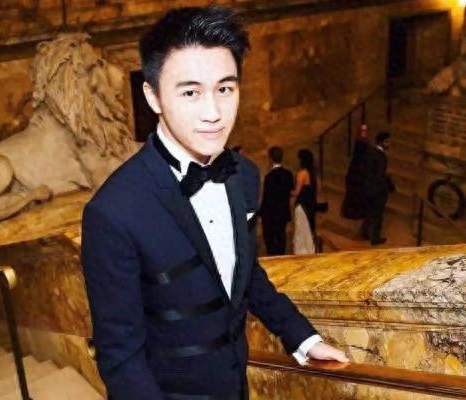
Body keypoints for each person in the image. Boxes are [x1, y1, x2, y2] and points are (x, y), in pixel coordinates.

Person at [81, 6, 348, 400]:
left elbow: (244, 272)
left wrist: (301, 337)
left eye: (225, 89)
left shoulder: (244, 174)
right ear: (153, 97)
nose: (214, 114)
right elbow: (121, 358)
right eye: (190, 92)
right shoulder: (113, 212)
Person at [361, 131, 395, 245]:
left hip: (368, 187)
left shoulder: (370, 152)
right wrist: (388, 185)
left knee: (369, 211)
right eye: (387, 142)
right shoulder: (381, 157)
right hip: (377, 190)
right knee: (378, 214)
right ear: (381, 143)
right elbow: (380, 176)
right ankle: (375, 238)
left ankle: (365, 232)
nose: (389, 144)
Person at [260, 146, 294, 255]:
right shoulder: (288, 174)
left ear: (270, 158)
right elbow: (290, 192)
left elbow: (267, 198)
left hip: (271, 214)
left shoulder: (269, 177)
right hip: (283, 212)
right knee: (281, 237)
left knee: (270, 240)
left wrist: (261, 213)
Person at [291, 149, 318, 254]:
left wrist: (286, 191)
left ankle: (301, 252)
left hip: (302, 206)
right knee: (308, 230)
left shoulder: (302, 173)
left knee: (301, 230)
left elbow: (296, 192)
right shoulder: (314, 173)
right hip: (311, 205)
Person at [341, 124, 370, 221]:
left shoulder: (364, 143)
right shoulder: (360, 143)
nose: (364, 133)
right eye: (363, 131)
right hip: (356, 171)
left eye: (365, 131)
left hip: (359, 172)